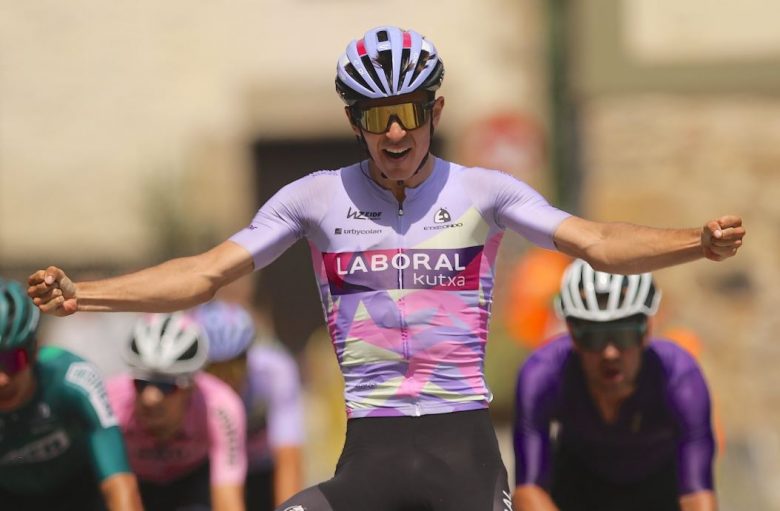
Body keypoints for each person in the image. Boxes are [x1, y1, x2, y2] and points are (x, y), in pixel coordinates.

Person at [28, 25, 744, 511]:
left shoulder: (484, 192)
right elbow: (204, 274)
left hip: (463, 452)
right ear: (354, 122)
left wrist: (696, 242)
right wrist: (85, 295)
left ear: (436, 109)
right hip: (371, 447)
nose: (395, 133)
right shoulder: (314, 198)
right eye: (375, 117)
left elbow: (597, 242)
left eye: (407, 111)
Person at [512, 259, 717, 511]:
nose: (610, 353)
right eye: (593, 336)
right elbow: (529, 491)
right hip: (577, 485)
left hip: (660, 489)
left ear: (647, 330)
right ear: (572, 333)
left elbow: (697, 496)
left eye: (624, 334)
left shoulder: (679, 377)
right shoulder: (543, 374)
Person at [0, 278, 143, 511]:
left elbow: (119, 486)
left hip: (82, 496)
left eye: (13, 360)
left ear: (34, 351)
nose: (2, 379)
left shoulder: (74, 380)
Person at [106, 311, 248, 511]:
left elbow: (228, 500)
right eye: (141, 382)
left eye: (167, 386)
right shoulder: (110, 401)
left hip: (189, 484)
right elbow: (114, 489)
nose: (150, 397)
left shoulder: (220, 406)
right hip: (132, 483)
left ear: (190, 387)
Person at [193, 300, 305, 510]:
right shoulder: (188, 385)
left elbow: (288, 458)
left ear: (247, 356)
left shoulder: (275, 370)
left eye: (234, 368)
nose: (226, 379)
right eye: (214, 370)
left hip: (261, 471)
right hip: (208, 472)